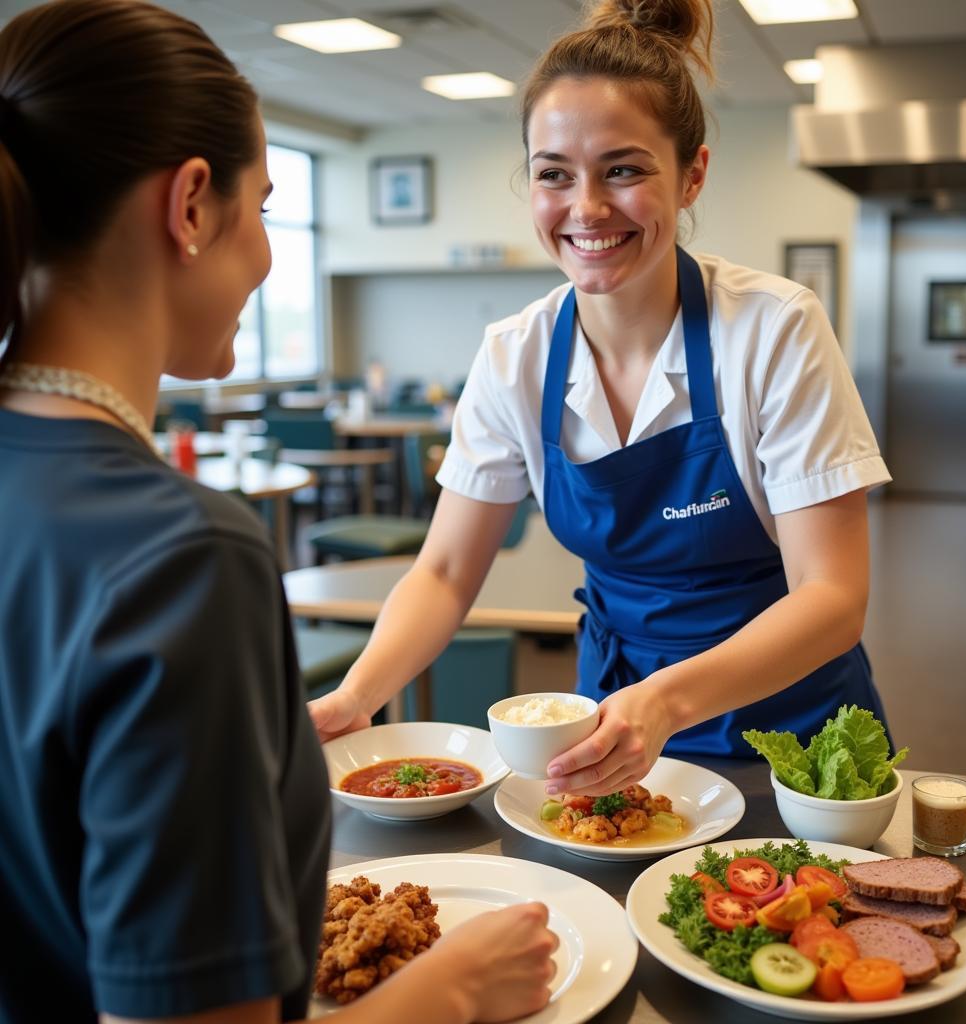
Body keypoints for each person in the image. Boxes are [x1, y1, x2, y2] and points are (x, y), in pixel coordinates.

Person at [0, 3, 556, 1024]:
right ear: (193, 206)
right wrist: (452, 987)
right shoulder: (183, 557)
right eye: (262, 208)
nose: (263, 258)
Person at [311, 0, 893, 799]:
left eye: (623, 169)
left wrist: (665, 702)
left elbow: (832, 598)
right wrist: (356, 695)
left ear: (692, 175)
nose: (586, 208)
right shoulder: (515, 354)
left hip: (789, 734)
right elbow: (445, 571)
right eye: (554, 173)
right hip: (610, 728)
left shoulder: (771, 329)